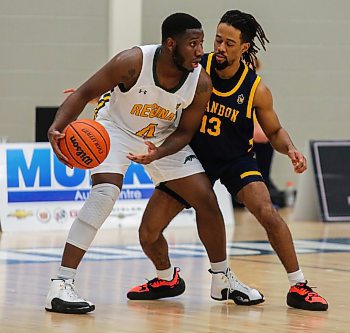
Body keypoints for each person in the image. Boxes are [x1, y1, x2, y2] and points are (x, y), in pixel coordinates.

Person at [45, 12, 263, 315]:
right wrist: (57, 127)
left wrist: (157, 154)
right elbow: (84, 93)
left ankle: (221, 278)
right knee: (105, 194)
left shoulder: (200, 82)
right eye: (193, 44)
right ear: (171, 44)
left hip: (162, 138)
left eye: (201, 43)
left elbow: (185, 131)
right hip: (115, 132)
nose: (201, 51)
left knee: (206, 199)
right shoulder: (132, 61)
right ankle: (61, 283)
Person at [127, 10, 328, 311]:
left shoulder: (255, 88)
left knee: (267, 213)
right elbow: (148, 84)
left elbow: (274, 130)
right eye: (218, 40)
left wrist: (291, 150)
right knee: (147, 233)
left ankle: (298, 286)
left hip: (236, 159)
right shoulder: (195, 67)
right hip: (193, 157)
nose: (220, 47)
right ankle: (166, 278)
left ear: (244, 47)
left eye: (229, 43)